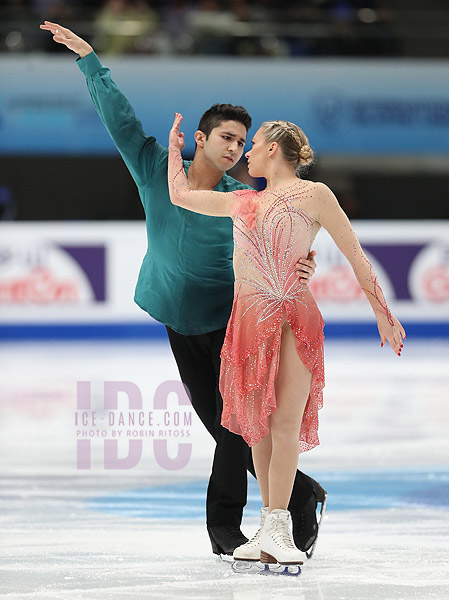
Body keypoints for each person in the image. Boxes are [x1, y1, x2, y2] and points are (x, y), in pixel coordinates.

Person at [39, 21, 327, 558]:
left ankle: (234, 530)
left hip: (229, 321)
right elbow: (118, 119)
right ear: (201, 138)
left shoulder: (241, 197)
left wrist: (305, 263)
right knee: (227, 431)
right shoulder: (154, 167)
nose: (236, 149)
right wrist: (89, 60)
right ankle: (302, 492)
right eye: (226, 138)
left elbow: (288, 232)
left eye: (243, 142)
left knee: (235, 427)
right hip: (176, 317)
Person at [167, 113, 406, 565]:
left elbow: (355, 256)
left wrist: (382, 312)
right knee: (254, 429)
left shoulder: (314, 195)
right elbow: (179, 195)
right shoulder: (242, 201)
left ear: (273, 148)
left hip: (292, 317)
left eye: (254, 143)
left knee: (282, 425)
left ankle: (280, 527)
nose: (247, 151)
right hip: (247, 323)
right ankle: (267, 527)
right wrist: (175, 150)